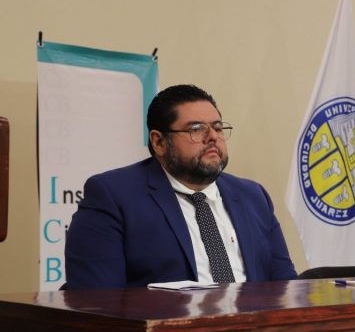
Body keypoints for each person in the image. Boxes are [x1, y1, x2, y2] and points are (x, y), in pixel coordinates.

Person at [65, 84, 296, 289]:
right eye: (196, 129)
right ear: (159, 142)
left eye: (217, 127)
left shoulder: (253, 196)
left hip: (253, 323)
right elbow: (98, 301)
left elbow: (285, 286)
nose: (212, 137)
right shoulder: (113, 196)